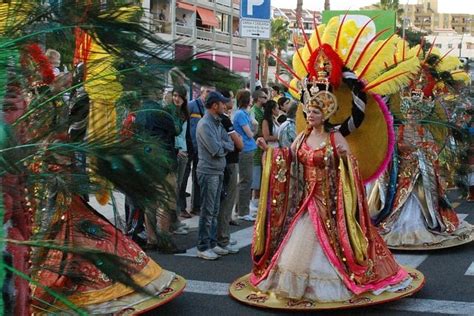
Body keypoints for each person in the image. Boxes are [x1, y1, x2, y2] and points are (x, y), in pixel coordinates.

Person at [250, 102, 412, 302]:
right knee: (300, 237)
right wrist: (269, 150)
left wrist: (344, 159)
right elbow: (289, 157)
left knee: (335, 241)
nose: (310, 115)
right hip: (307, 197)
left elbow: (350, 164)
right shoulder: (302, 137)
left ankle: (333, 282)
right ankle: (301, 284)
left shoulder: (334, 137)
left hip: (331, 200)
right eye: (308, 111)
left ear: (325, 116)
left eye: (315, 112)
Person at [372, 105, 473, 248]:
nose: (413, 116)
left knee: (422, 200)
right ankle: (400, 226)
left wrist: (422, 149)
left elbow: (433, 148)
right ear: (405, 115)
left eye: (416, 113)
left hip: (420, 172)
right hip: (403, 174)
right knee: (401, 201)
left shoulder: (423, 131)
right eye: (410, 113)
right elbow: (390, 150)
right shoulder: (398, 131)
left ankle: (423, 225)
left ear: (420, 116)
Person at [196, 91, 235, 260]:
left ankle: (212, 243)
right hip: (208, 171)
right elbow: (216, 149)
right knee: (208, 210)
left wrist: (223, 146)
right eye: (222, 103)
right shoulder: (205, 124)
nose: (225, 106)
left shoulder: (218, 123)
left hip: (218, 170)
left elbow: (230, 144)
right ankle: (203, 246)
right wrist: (223, 146)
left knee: (215, 210)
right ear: (214, 105)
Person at [216, 90, 243, 253]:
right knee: (227, 202)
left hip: (226, 162)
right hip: (229, 163)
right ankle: (223, 238)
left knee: (225, 202)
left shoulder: (221, 119)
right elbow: (239, 144)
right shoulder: (224, 120)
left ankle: (222, 236)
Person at [187, 85, 214, 215]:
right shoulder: (192, 105)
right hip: (189, 146)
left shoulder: (209, 109)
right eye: (208, 91)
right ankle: (182, 207)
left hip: (201, 149)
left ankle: (196, 206)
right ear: (202, 92)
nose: (209, 94)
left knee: (198, 178)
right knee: (185, 178)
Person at [233, 90, 258, 222]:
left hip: (248, 148)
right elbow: (249, 133)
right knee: (246, 180)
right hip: (246, 149)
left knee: (245, 180)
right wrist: (254, 128)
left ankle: (241, 208)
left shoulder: (243, 113)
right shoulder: (241, 115)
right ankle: (243, 211)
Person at [173, 86, 193, 220]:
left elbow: (187, 135)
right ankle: (172, 219)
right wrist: (176, 150)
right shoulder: (170, 112)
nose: (176, 98)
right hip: (175, 152)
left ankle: (175, 217)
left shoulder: (186, 113)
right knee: (173, 188)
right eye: (174, 95)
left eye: (179, 96)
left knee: (179, 187)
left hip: (184, 152)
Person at [249, 89, 267, 217]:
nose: (266, 99)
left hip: (262, 147)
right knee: (255, 175)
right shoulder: (254, 111)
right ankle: (253, 202)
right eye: (263, 97)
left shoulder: (262, 111)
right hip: (256, 146)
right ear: (258, 99)